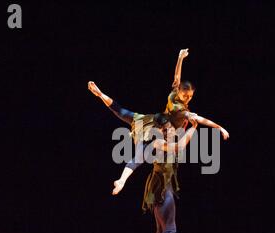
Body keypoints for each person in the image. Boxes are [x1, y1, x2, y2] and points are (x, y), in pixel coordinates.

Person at [88, 48, 229, 195]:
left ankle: (100, 94)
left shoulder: (175, 92)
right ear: (180, 92)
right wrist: (219, 128)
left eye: (190, 96)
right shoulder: (180, 110)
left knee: (122, 113)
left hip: (152, 121)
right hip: (160, 127)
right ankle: (122, 180)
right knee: (142, 153)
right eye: (186, 95)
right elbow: (200, 120)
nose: (188, 98)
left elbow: (177, 76)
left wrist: (180, 58)